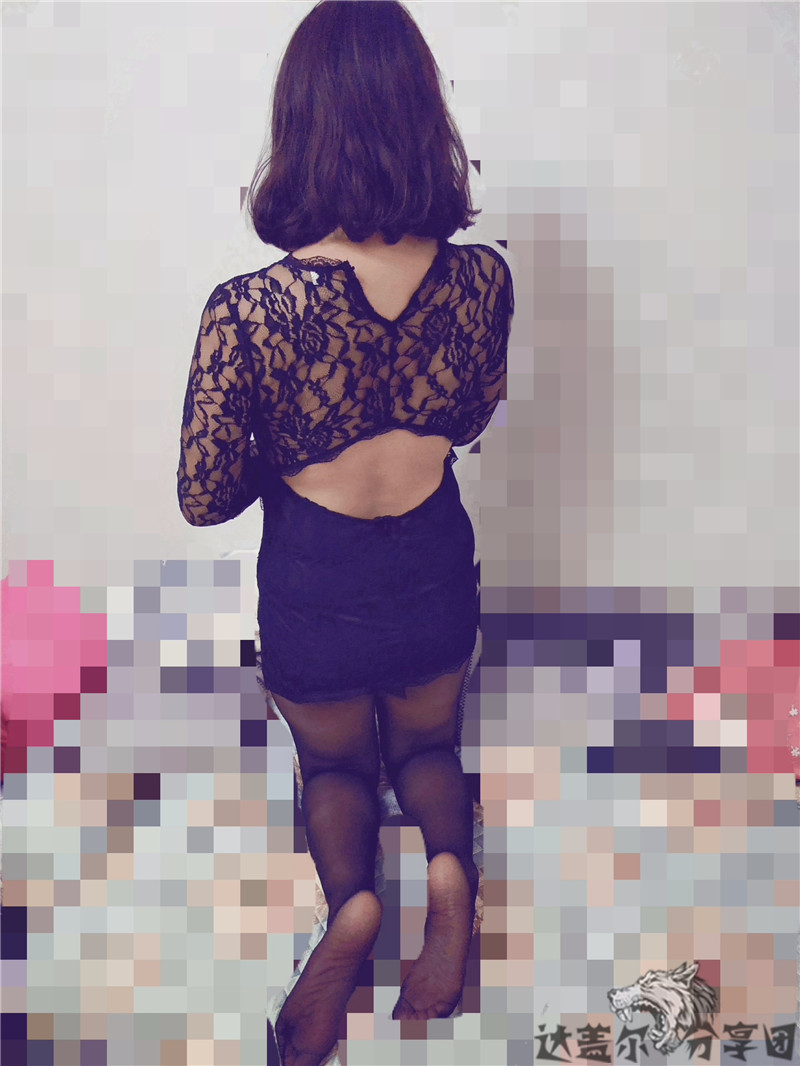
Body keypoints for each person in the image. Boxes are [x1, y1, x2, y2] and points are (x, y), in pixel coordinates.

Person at [176, 2, 514, 1063]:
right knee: (426, 745)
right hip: (431, 564)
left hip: (314, 582)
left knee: (333, 768)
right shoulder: (481, 279)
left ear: (301, 126)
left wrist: (292, 445)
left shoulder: (249, 309)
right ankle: (450, 871)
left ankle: (355, 904)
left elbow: (203, 495)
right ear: (422, 118)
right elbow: (468, 419)